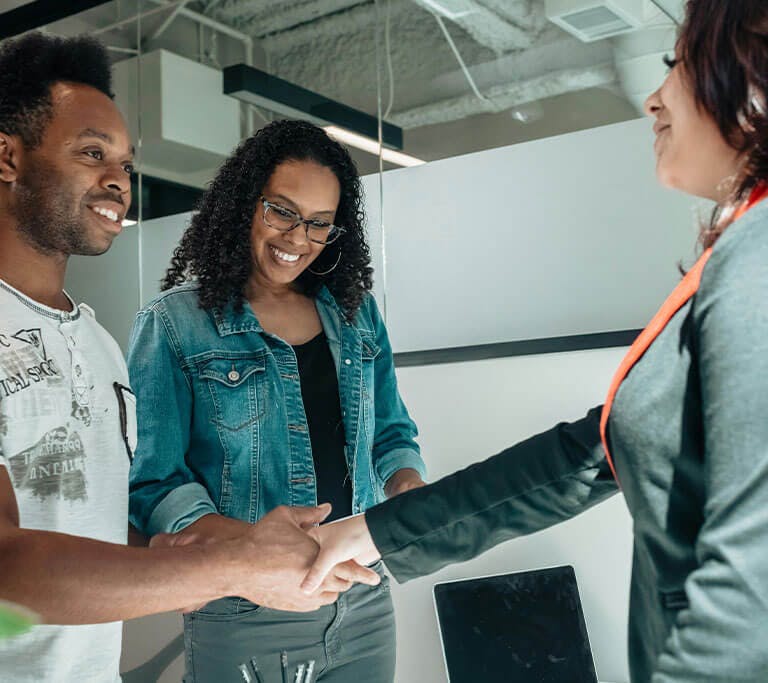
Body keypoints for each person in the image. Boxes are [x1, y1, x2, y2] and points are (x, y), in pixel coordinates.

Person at [302, 2, 768, 682]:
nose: (653, 97)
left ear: (749, 74)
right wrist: (375, 532)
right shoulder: (740, 253)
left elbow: (749, 591)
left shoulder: (758, 261)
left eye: (678, 65)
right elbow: (585, 456)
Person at [0, 32, 375, 683]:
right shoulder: (166, 325)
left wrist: (225, 543)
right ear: (7, 157)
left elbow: (90, 527)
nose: (118, 180)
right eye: (92, 153)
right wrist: (231, 566)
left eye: (124, 162)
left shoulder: (97, 343)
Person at [127, 119, 427, 682]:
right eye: (282, 211)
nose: (297, 239)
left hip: (362, 599)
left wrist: (410, 492)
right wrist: (251, 548)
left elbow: (390, 433)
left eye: (318, 224)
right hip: (247, 603)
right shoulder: (174, 324)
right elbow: (155, 482)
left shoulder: (357, 314)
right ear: (245, 203)